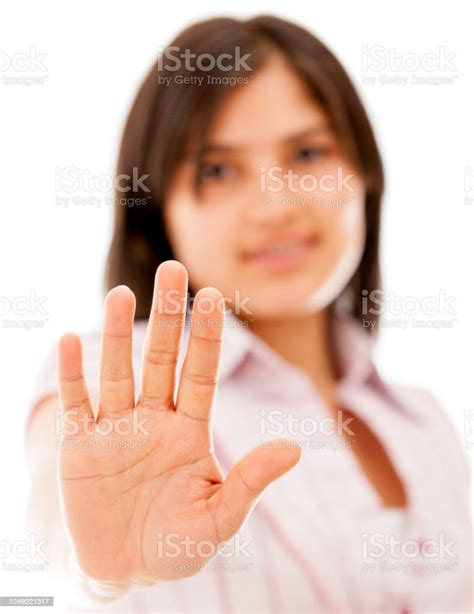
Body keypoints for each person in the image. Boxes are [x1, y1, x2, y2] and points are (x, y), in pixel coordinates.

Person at [26, 15, 471, 612]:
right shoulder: (119, 381)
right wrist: (105, 569)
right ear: (160, 208)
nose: (275, 204)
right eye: (217, 169)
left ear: (363, 172)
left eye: (308, 152)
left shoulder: (424, 421)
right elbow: (65, 519)